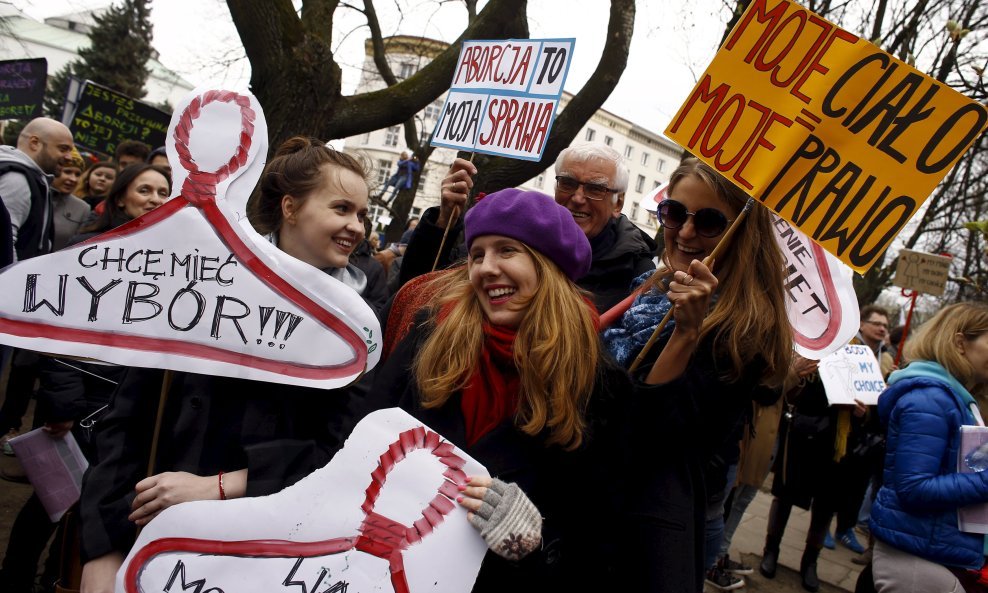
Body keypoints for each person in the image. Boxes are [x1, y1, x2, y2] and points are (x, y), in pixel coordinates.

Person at [77, 137, 377, 593]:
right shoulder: (200, 287)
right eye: (341, 208)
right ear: (291, 208)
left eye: (361, 214)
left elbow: (341, 451)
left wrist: (220, 485)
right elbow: (124, 425)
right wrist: (101, 550)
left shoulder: (357, 328)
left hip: (265, 552)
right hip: (155, 538)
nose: (356, 226)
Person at [361, 188, 630, 591]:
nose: (485, 268)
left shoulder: (599, 384)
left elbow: (597, 540)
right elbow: (363, 430)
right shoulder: (431, 334)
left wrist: (533, 544)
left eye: (506, 250)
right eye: (477, 254)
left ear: (549, 267)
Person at [602, 157, 791, 592]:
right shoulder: (651, 285)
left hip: (635, 535)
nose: (685, 233)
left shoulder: (743, 331)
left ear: (741, 233)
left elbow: (650, 437)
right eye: (674, 212)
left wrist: (686, 334)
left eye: (708, 222)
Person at [0, 164, 169, 593]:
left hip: (128, 407)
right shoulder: (85, 249)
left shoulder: (176, 262)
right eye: (144, 190)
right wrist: (63, 405)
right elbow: (58, 340)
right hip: (82, 403)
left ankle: (56, 579)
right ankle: (15, 576)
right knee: (52, 501)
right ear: (119, 199)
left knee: (99, 508)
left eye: (163, 192)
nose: (153, 198)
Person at [397, 142, 655, 312]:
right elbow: (420, 289)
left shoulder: (638, 275)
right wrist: (443, 221)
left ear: (618, 201)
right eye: (567, 183)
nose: (578, 197)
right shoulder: (515, 239)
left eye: (595, 188)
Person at [869, 303, 988, 593]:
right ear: (960, 343)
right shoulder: (930, 399)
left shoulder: (956, 399)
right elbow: (914, 488)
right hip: (916, 559)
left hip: (931, 549)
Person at [49, 148, 92, 251]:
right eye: (67, 172)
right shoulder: (35, 194)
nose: (73, 179)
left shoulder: (83, 208)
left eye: (77, 174)